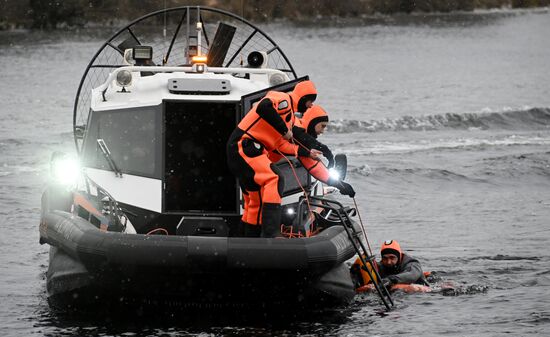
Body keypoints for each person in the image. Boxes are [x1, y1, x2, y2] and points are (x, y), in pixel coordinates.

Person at [226, 81, 321, 238]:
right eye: (311, 101)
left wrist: (306, 153)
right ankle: (271, 232)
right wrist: (283, 130)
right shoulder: (283, 98)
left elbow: (281, 146)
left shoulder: (289, 119)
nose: (311, 106)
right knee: (275, 178)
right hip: (244, 146)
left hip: (244, 150)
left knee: (255, 201)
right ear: (303, 97)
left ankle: (247, 238)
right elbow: (264, 107)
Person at [270, 105, 355, 197]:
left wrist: (339, 184)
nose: (322, 131)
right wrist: (340, 185)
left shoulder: (299, 133)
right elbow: (314, 167)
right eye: (322, 126)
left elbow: (312, 163)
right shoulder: (295, 129)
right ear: (313, 122)